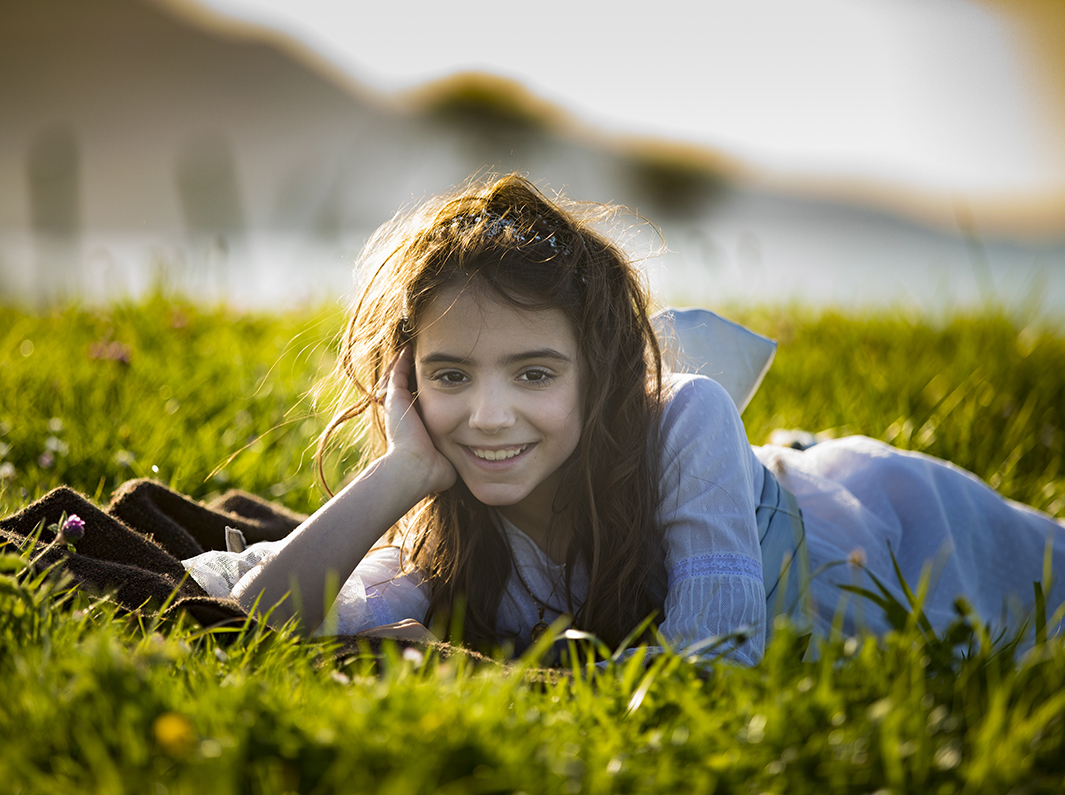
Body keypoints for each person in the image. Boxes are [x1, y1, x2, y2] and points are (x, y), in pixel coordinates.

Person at [182, 174, 1065, 665]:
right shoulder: (453, 520)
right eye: (450, 375)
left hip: (903, 535)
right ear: (407, 383)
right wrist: (406, 468)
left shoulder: (684, 417)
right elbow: (257, 621)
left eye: (534, 372)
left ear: (598, 374)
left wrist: (520, 672)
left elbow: (715, 658)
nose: (488, 417)